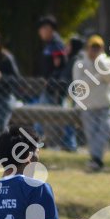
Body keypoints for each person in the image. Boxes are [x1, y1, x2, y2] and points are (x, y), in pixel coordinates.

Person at [73, 34, 110, 171]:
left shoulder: (108, 62)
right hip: (88, 106)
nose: (95, 51)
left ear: (102, 49)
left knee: (106, 129)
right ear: (87, 48)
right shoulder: (80, 64)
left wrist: (99, 62)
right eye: (93, 48)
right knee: (91, 136)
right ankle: (96, 161)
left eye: (98, 48)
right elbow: (79, 86)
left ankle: (95, 160)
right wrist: (98, 78)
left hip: (106, 105)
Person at [35, 15, 75, 151]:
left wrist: (51, 81)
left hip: (55, 88)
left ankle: (69, 144)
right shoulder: (50, 44)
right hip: (51, 87)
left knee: (55, 115)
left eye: (42, 29)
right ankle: (67, 143)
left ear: (49, 29)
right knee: (50, 116)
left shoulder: (56, 44)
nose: (40, 32)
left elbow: (61, 66)